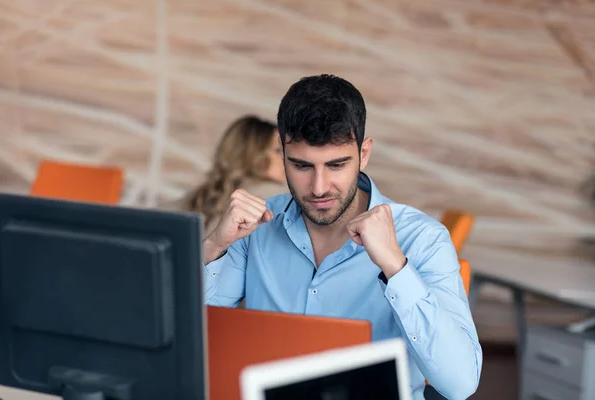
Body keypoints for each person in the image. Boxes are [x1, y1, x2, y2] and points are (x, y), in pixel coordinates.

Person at [202, 75, 482, 399]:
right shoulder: (257, 227)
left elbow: (460, 385)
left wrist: (396, 266)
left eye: (336, 165)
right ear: (282, 155)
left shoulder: (423, 239)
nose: (319, 187)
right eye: (302, 166)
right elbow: (188, 338)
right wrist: (214, 246)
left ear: (364, 154)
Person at [179, 115, 287, 235]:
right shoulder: (273, 197)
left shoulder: (202, 197)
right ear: (253, 154)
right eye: (278, 150)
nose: (286, 158)